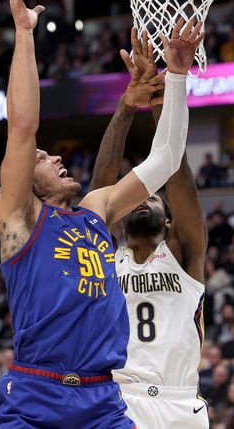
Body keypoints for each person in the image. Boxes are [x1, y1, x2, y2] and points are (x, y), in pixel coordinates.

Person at [0, 0, 194, 428]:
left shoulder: (95, 211)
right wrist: (23, 33)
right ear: (19, 183)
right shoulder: (18, 219)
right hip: (36, 394)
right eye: (40, 158)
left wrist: (176, 74)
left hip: (102, 399)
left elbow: (167, 157)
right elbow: (22, 125)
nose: (54, 156)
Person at [88, 23, 207, 428]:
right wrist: (126, 105)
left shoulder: (184, 254)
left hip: (179, 403)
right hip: (118, 398)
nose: (145, 199)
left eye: (152, 197)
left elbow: (176, 170)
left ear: (170, 222)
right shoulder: (103, 256)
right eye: (138, 197)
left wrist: (161, 100)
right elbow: (101, 187)